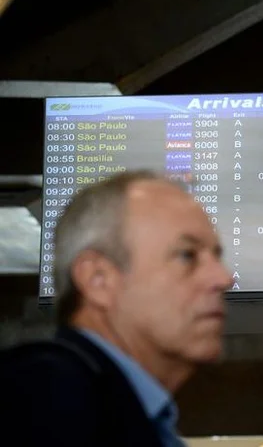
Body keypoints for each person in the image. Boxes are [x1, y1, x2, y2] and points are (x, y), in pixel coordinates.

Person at [0, 170, 232, 446]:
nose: (223, 278)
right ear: (99, 280)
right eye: (186, 255)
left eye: (216, 256)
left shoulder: (129, 413)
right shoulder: (44, 402)